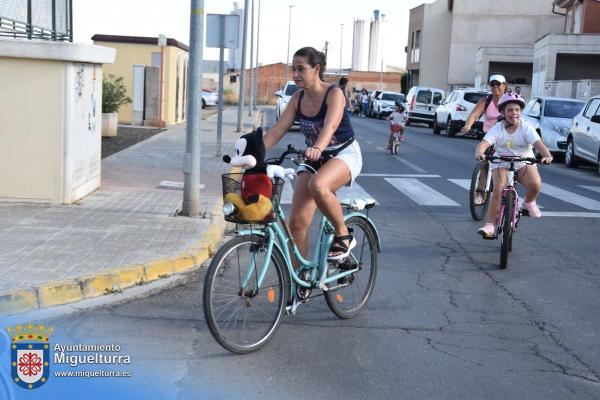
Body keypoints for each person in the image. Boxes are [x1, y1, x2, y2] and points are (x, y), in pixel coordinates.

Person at [263, 47, 363, 260]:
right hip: (314, 159)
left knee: (318, 185)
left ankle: (343, 234)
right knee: (297, 223)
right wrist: (253, 153)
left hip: (343, 154)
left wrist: (318, 147)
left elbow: (330, 126)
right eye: (293, 69)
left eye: (301, 69)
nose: (296, 74)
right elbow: (278, 130)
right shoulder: (298, 98)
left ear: (316, 69)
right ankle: (300, 286)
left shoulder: (334, 94)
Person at [474, 92, 553, 239]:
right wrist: (480, 152)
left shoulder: (526, 128)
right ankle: (490, 225)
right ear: (503, 112)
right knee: (498, 189)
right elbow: (484, 143)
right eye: (510, 110)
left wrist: (547, 156)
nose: (514, 113)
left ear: (521, 112)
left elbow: (538, 144)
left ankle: (528, 203)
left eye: (517, 110)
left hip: (523, 161)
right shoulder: (498, 128)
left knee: (535, 184)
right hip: (501, 162)